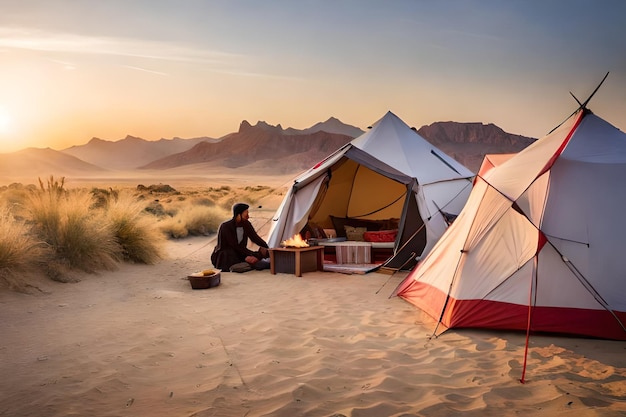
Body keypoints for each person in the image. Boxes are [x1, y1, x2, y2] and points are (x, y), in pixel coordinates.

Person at [211, 203, 270, 271]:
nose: (248, 216)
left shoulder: (246, 224)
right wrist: (247, 256)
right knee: (234, 257)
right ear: (238, 215)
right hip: (227, 255)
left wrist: (267, 248)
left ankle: (248, 264)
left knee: (261, 258)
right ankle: (239, 266)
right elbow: (234, 246)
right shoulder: (225, 226)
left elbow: (255, 238)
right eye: (246, 214)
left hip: (241, 252)